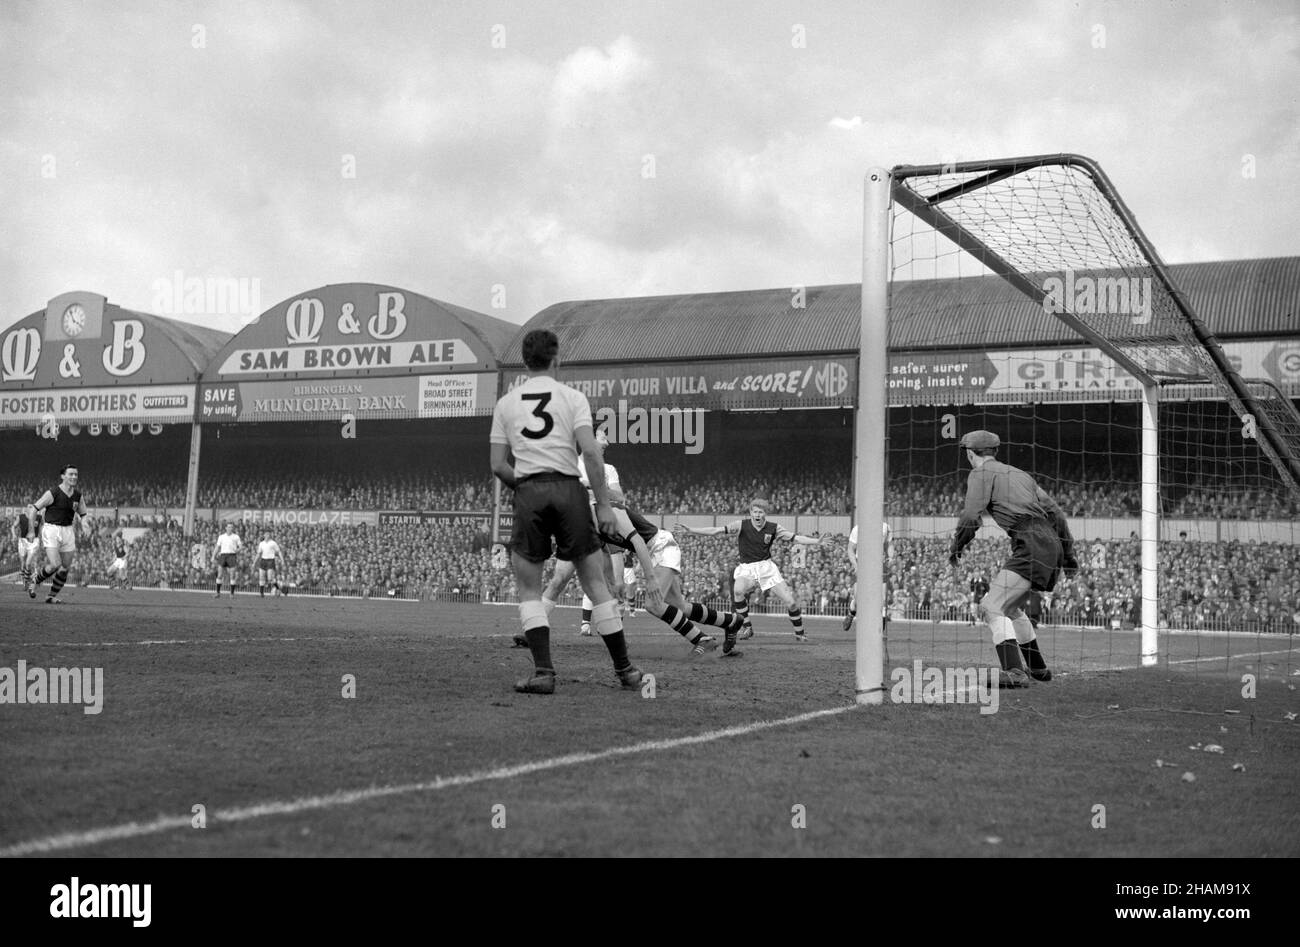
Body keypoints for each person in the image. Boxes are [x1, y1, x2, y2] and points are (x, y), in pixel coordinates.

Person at [490, 329, 649, 694]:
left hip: (529, 492)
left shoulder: (506, 405)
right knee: (595, 582)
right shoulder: (573, 399)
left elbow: (498, 465)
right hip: (570, 491)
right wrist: (605, 505)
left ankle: (544, 673)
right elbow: (592, 453)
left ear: (525, 361)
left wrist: (527, 487)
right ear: (556, 358)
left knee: (529, 588)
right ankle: (625, 671)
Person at [948, 431, 1078, 687]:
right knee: (1010, 608)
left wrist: (957, 546)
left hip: (1030, 541)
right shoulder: (1021, 475)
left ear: (970, 453)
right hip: (1050, 542)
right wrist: (1069, 556)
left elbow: (971, 515)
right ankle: (1038, 669)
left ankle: (1015, 672)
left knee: (991, 606)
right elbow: (1057, 514)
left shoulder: (979, 473)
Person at [675, 499, 828, 649]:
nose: (758, 514)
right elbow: (716, 530)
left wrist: (816, 542)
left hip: (767, 568)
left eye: (760, 512)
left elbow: (795, 538)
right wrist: (691, 530)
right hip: (747, 568)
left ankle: (800, 633)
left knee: (791, 602)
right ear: (750, 513)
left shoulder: (774, 528)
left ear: (765, 513)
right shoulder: (741, 525)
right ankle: (747, 626)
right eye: (755, 511)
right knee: (738, 590)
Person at [27, 464, 92, 604]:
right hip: (51, 529)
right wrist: (31, 531)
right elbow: (33, 509)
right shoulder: (53, 493)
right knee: (55, 564)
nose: (74, 477)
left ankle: (51, 596)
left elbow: (83, 514)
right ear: (63, 476)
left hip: (68, 530)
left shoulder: (78, 496)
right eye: (71, 474)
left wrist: (85, 525)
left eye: (76, 474)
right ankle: (35, 580)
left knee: (65, 567)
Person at [843, 518, 894, 632]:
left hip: (879, 564)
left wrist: (891, 557)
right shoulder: (858, 529)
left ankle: (881, 621)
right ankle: (851, 613)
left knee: (883, 596)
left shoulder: (886, 527)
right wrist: (855, 565)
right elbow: (850, 549)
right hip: (862, 563)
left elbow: (890, 544)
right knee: (858, 598)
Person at [11, 508, 43, 595]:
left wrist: (42, 537)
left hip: (34, 541)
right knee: (22, 564)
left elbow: (42, 527)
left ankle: (32, 580)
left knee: (29, 563)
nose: (32, 510)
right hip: (22, 541)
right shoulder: (21, 517)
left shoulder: (39, 517)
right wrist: (14, 535)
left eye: (33, 508)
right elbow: (13, 526)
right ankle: (25, 582)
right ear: (26, 510)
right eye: (29, 508)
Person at [212, 523, 243, 597]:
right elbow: (217, 547)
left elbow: (241, 547)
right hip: (223, 556)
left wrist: (237, 550)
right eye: (228, 527)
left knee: (232, 575)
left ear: (233, 528)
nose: (230, 528)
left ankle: (232, 593)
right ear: (226, 528)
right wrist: (213, 556)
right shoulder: (221, 537)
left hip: (232, 556)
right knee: (219, 575)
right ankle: (217, 593)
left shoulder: (236, 537)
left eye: (231, 527)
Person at [255, 532, 286, 597]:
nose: (267, 535)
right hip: (263, 560)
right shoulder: (261, 543)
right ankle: (261, 593)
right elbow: (258, 553)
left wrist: (282, 560)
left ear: (270, 535)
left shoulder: (273, 543)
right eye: (266, 534)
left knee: (270, 578)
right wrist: (254, 562)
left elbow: (279, 552)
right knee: (261, 576)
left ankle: (278, 588)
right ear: (264, 535)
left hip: (270, 560)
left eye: (268, 534)